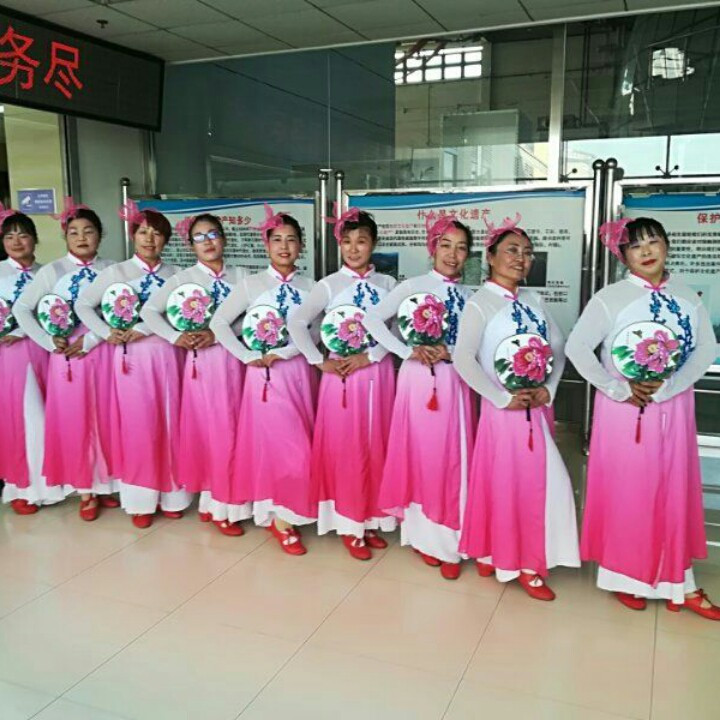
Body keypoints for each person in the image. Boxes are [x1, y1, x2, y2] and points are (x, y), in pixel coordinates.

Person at [566, 216, 719, 619]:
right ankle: (624, 576)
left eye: (653, 241)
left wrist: (672, 385)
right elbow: (577, 348)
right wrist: (616, 388)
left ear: (667, 245)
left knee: (673, 488)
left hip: (674, 406)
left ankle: (679, 580)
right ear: (623, 255)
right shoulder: (611, 298)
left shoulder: (686, 295)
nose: (647, 251)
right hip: (626, 411)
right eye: (635, 245)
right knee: (630, 490)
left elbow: (706, 348)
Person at [454, 215, 580, 601]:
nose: (520, 258)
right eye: (511, 250)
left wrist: (549, 389)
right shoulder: (480, 303)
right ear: (491, 257)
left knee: (540, 482)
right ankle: (516, 560)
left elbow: (559, 349)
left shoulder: (534, 301)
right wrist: (499, 398)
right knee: (506, 483)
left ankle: (509, 554)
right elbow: (463, 358)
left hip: (534, 409)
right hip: (502, 412)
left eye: (526, 252)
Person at [363, 216, 476, 580]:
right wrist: (406, 351)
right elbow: (373, 321)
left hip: (456, 381)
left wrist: (451, 351)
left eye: (461, 248)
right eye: (446, 245)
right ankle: (424, 537)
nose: (452, 254)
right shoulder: (412, 286)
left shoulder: (471, 296)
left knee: (455, 456)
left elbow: (476, 345)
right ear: (432, 248)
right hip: (418, 382)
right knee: (422, 455)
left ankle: (452, 537)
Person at [288, 208, 397, 560]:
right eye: (347, 241)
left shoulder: (389, 285)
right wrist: (319, 360)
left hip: (377, 374)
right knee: (347, 447)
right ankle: (349, 523)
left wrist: (373, 355)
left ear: (373, 244)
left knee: (376, 443)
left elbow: (398, 330)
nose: (353, 249)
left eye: (361, 241)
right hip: (342, 378)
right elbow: (297, 323)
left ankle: (370, 518)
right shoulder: (329, 285)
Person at [211, 206, 318, 555]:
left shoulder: (311, 286)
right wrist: (246, 356)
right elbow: (219, 323)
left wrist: (287, 351)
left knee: (299, 442)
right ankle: (280, 518)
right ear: (266, 245)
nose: (284, 247)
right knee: (281, 447)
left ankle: (285, 511)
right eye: (277, 240)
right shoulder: (251, 285)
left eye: (291, 240)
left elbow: (318, 329)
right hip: (264, 377)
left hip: (299, 371)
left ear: (301, 246)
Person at [75, 200, 188, 528]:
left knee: (170, 422)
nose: (149, 239)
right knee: (138, 426)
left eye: (157, 234)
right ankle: (141, 501)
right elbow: (84, 305)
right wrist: (105, 332)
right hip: (130, 359)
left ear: (166, 239)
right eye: (143, 232)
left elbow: (181, 314)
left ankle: (173, 496)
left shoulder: (176, 275)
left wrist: (144, 328)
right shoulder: (116, 273)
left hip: (168, 355)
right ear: (132, 235)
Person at [141, 213, 249, 536]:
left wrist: (220, 334)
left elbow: (252, 317)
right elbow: (149, 311)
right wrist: (176, 337)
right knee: (211, 431)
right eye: (199, 237)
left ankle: (220, 500)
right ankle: (218, 504)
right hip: (204, 365)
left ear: (224, 238)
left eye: (213, 234)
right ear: (190, 246)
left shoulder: (242, 276)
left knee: (237, 430)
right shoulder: (183, 279)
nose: (207, 242)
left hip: (239, 359)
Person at [13, 198, 117, 520]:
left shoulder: (112, 268)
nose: (82, 237)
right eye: (74, 232)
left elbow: (123, 312)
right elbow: (22, 309)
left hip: (104, 349)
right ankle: (85, 490)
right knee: (75, 420)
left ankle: (104, 484)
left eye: (89, 231)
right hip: (69, 355)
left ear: (100, 234)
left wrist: (95, 337)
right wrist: (47, 341)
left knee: (105, 416)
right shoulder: (53, 271)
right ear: (65, 237)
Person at [0, 207, 56, 513]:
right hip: (10, 355)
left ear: (35, 239)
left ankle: (59, 482)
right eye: (9, 236)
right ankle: (21, 487)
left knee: (52, 416)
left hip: (48, 351)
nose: (16, 241)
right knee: (21, 418)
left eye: (23, 235)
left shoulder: (48, 273)